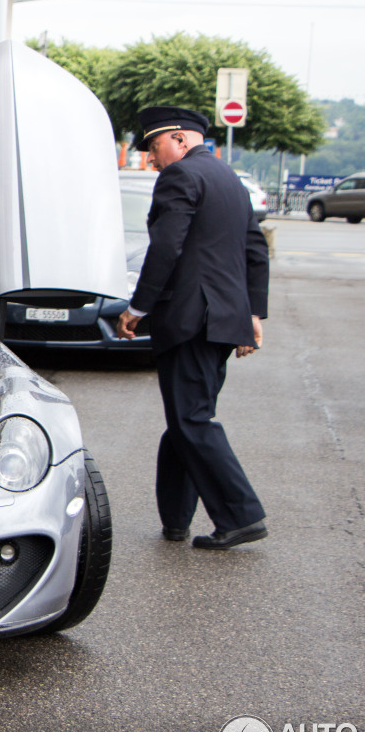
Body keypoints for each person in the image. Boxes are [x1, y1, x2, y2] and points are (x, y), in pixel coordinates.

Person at [116, 106, 270, 550]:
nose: (151, 159)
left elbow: (167, 246)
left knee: (192, 419)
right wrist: (251, 314)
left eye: (155, 147)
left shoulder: (180, 177)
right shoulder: (230, 180)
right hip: (220, 321)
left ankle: (242, 516)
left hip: (189, 319)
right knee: (185, 418)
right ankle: (176, 520)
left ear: (180, 140)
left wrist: (138, 307)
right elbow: (255, 251)